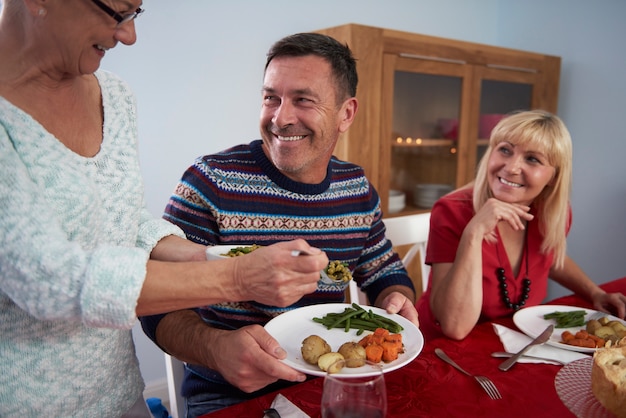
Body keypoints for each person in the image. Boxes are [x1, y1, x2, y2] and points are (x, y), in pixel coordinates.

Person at [0, 2, 328, 417]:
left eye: (137, 12)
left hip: (119, 392)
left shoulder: (115, 97)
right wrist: (239, 276)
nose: (129, 35)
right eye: (116, 11)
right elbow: (50, 280)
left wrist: (211, 255)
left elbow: (126, 221)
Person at [140, 32, 419, 416]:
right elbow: (153, 303)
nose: (280, 118)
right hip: (229, 391)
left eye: (303, 100)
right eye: (271, 97)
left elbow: (384, 271)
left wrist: (395, 298)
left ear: (346, 113)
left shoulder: (357, 188)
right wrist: (214, 349)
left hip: (332, 381)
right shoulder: (210, 180)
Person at [416, 110, 626, 341]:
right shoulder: (452, 210)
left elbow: (548, 257)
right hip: (442, 348)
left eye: (532, 159)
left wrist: (594, 292)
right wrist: (473, 233)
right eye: (505, 150)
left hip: (514, 340)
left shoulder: (552, 212)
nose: (512, 167)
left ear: (554, 177)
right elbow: (455, 327)